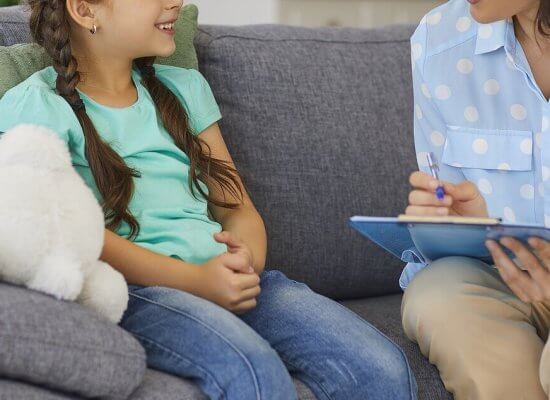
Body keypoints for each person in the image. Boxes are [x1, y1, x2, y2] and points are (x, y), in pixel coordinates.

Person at [0, 0, 419, 399]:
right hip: (144, 295)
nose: (175, 3)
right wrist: (198, 283)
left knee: (381, 364)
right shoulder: (37, 107)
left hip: (230, 281)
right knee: (252, 369)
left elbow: (237, 209)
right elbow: (74, 235)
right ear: (85, 9)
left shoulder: (184, 90)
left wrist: (246, 262)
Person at [403, 0, 550, 398]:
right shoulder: (439, 41)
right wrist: (461, 219)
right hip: (505, 276)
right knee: (438, 293)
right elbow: (445, 201)